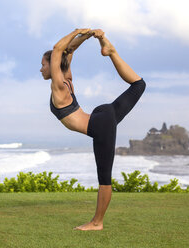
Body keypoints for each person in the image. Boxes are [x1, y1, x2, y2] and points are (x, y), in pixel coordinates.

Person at [40, 28, 146, 231]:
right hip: (101, 115)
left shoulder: (59, 85)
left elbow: (58, 49)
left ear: (52, 64)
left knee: (104, 178)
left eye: (43, 65)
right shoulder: (66, 77)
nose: (41, 69)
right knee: (139, 85)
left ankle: (97, 223)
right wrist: (87, 36)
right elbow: (68, 51)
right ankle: (111, 51)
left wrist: (77, 31)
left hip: (100, 124)